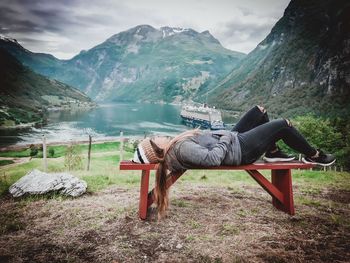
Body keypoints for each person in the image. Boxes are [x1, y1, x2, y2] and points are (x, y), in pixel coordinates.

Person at [132, 105, 335, 218]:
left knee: (259, 111)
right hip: (238, 149)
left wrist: (226, 136)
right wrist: (228, 136)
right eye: (154, 139)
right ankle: (314, 155)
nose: (157, 136)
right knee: (284, 125)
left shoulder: (175, 149)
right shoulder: (180, 149)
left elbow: (210, 147)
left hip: (230, 141)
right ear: (156, 149)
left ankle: (272, 151)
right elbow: (213, 159)